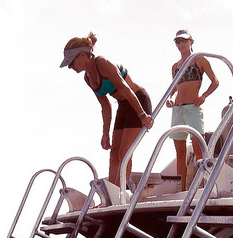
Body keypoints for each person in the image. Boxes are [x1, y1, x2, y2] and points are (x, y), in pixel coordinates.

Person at [60, 32, 154, 188]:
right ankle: (112, 192)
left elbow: (125, 88)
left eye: (71, 62)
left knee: (124, 153)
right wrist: (105, 133)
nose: (70, 66)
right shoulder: (87, 77)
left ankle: (120, 192)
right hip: (123, 106)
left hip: (137, 101)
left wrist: (142, 115)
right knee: (114, 153)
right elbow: (105, 105)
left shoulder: (102, 63)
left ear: (83, 55)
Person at [166, 29, 219, 183]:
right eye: (178, 41)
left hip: (192, 109)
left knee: (199, 150)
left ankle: (203, 186)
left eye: (184, 40)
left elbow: (215, 82)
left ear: (191, 41)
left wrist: (203, 96)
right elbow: (174, 88)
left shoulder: (199, 60)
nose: (181, 44)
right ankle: (181, 189)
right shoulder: (175, 66)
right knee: (180, 152)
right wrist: (169, 99)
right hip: (177, 110)